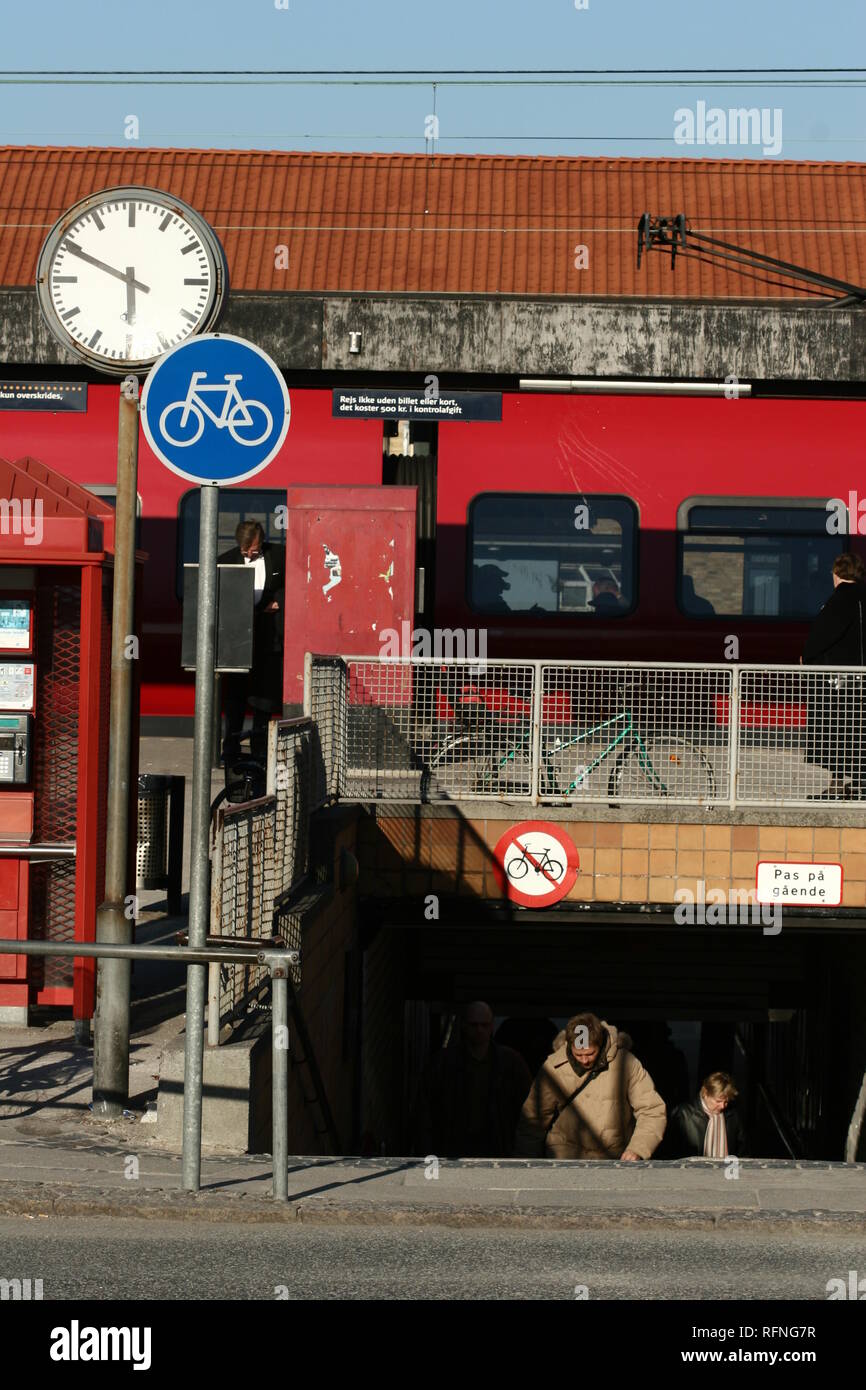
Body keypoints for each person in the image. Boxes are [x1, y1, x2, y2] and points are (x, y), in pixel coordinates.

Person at [513, 1011, 666, 1160]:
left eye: (590, 1054)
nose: (584, 1060)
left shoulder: (626, 1063)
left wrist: (637, 1149)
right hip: (564, 1161)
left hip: (612, 1161)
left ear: (600, 1045)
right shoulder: (554, 1067)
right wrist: (525, 1163)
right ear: (569, 1046)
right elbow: (533, 1120)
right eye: (578, 1055)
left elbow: (651, 1110)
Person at [412, 1001, 532, 1158]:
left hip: (495, 1147)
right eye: (474, 1025)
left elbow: (527, 1111)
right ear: (464, 1026)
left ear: (491, 1026)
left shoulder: (511, 1063)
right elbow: (425, 1111)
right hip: (454, 1147)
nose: (479, 1030)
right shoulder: (443, 1063)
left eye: (484, 1025)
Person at [218, 520, 286, 765]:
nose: (250, 553)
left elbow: (294, 582)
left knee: (264, 698)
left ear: (262, 540)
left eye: (254, 549)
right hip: (238, 640)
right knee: (235, 697)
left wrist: (280, 601)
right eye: (246, 549)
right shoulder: (225, 560)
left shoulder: (279, 555)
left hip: (270, 638)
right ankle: (231, 749)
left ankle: (260, 750)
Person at [802, 552, 866, 799]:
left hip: (839, 684)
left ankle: (837, 784)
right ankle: (860, 783)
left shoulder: (837, 601)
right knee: (859, 731)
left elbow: (821, 637)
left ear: (837, 574)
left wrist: (807, 658)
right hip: (861, 682)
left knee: (836, 732)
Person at [667, 1071, 748, 1158]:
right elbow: (670, 1151)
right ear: (705, 1093)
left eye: (726, 1101)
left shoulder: (733, 1115)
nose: (723, 1106)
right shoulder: (683, 1114)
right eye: (718, 1101)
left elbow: (743, 1150)